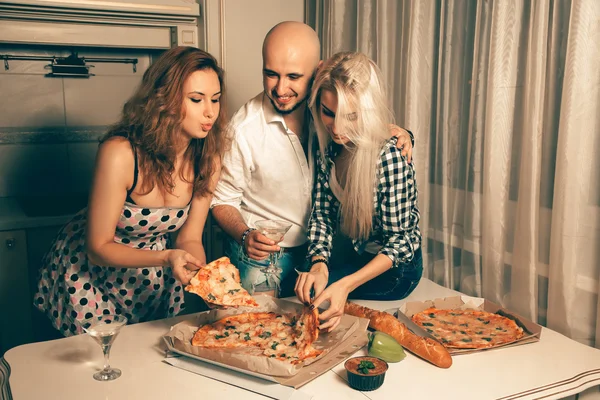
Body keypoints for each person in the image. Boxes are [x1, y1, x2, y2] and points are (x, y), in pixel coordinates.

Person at [33, 46, 228, 337]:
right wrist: (165, 258)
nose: (210, 111)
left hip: (150, 280)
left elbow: (188, 237)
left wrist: (199, 273)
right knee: (94, 366)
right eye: (196, 99)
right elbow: (98, 247)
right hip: (89, 275)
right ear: (166, 99)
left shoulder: (207, 158)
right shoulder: (121, 153)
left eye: (215, 99)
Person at [210, 21, 414, 298]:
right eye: (271, 74)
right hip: (263, 257)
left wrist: (400, 134)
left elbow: (359, 117)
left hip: (321, 253)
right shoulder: (244, 129)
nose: (281, 89)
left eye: (293, 76)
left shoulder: (325, 108)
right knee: (258, 333)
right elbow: (222, 199)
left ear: (317, 72)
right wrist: (245, 235)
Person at [295, 51, 423, 332]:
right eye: (328, 113)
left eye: (350, 116)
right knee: (303, 286)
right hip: (358, 257)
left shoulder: (389, 156)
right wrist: (319, 263)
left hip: (396, 270)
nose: (337, 128)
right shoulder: (328, 145)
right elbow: (323, 214)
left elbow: (400, 243)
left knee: (314, 301)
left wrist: (345, 284)